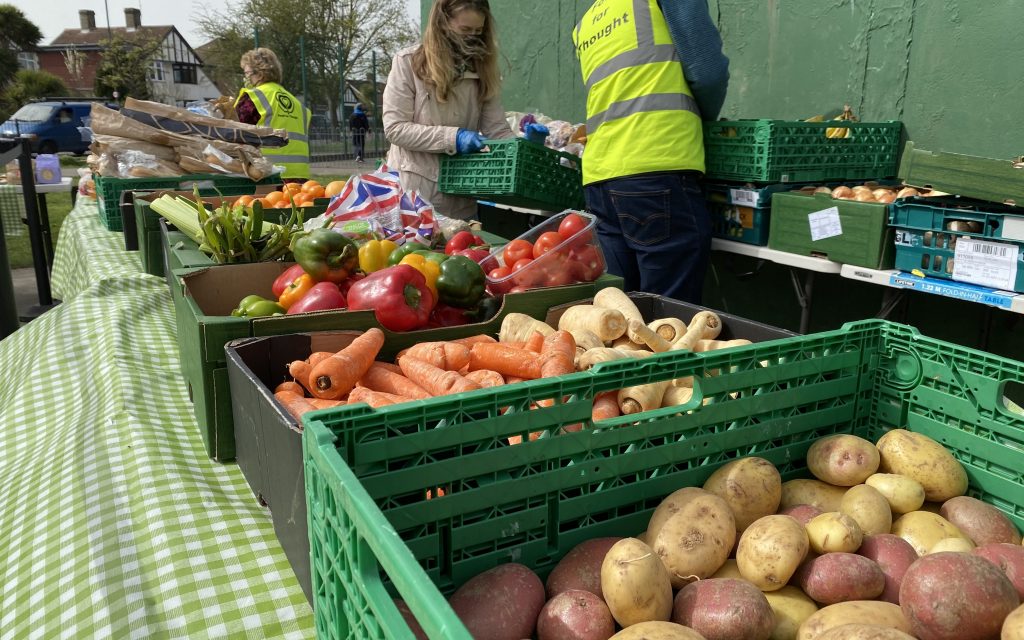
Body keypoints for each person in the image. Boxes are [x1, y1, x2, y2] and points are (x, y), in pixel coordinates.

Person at [572, 0, 729, 304]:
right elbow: (708, 72)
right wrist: (705, 121)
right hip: (657, 164)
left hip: (601, 177)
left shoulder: (590, 19)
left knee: (618, 312)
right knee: (667, 319)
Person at [382, 0, 515, 220]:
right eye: (465, 29)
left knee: (459, 252)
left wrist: (519, 149)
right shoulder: (408, 63)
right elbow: (395, 129)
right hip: (414, 196)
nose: (472, 37)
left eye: (478, 31)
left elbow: (498, 131)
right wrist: (454, 137)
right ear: (443, 22)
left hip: (461, 197)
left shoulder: (482, 71)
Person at [235, 47, 312, 182]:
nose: (246, 78)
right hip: (299, 178)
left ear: (259, 73)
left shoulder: (252, 98)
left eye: (247, 73)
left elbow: (233, 133)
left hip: (265, 176)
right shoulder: (299, 106)